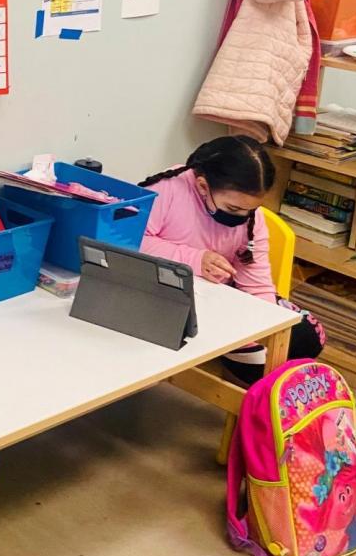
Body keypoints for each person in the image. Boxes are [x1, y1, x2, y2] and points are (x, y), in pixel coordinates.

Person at [139, 136, 324, 384]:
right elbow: (130, 242)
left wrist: (265, 328)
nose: (244, 217)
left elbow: (256, 283)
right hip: (166, 297)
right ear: (203, 186)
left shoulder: (250, 219)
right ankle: (250, 385)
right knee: (260, 364)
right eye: (234, 209)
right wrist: (195, 259)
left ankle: (257, 384)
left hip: (221, 299)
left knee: (308, 336)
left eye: (251, 210)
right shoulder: (167, 189)